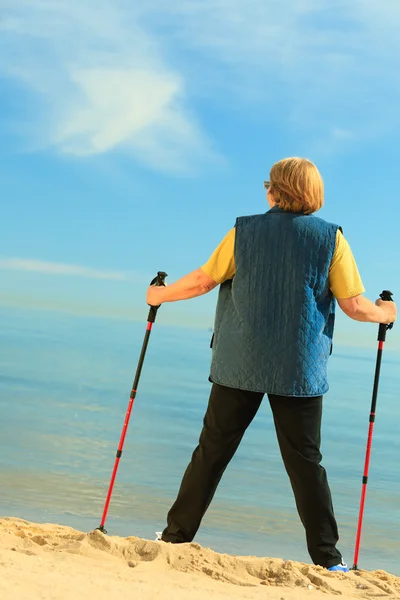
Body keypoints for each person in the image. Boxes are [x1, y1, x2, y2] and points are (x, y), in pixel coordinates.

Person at [146, 157, 397, 572]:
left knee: (212, 450)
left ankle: (175, 538)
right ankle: (329, 560)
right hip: (299, 369)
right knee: (305, 463)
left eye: (268, 184)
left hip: (238, 362)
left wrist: (158, 296)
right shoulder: (331, 239)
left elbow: (203, 281)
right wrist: (386, 313)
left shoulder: (243, 231)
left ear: (276, 190)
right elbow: (355, 307)